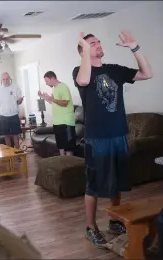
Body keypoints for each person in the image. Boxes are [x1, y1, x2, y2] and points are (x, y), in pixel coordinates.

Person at [73, 31, 153, 248]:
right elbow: (84, 80)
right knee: (94, 185)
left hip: (119, 135)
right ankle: (90, 227)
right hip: (96, 139)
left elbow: (147, 74)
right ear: (83, 51)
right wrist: (85, 52)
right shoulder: (80, 71)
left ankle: (114, 220)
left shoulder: (115, 70)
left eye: (98, 42)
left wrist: (135, 48)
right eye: (92, 44)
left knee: (116, 183)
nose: (98, 45)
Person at [38, 71, 76, 156]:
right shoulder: (54, 88)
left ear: (52, 78)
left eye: (47, 81)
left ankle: (71, 167)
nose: (46, 83)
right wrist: (45, 97)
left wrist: (53, 99)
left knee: (68, 147)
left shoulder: (63, 87)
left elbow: (65, 103)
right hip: (57, 122)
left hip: (66, 123)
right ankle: (62, 166)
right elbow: (54, 102)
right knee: (61, 146)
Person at [0, 72, 24, 149]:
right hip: (3, 116)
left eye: (7, 79)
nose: (6, 81)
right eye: (4, 79)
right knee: (6, 136)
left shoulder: (15, 87)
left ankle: (17, 153)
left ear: (10, 79)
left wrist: (20, 100)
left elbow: (19, 101)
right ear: (1, 80)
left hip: (13, 115)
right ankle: (10, 155)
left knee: (15, 136)